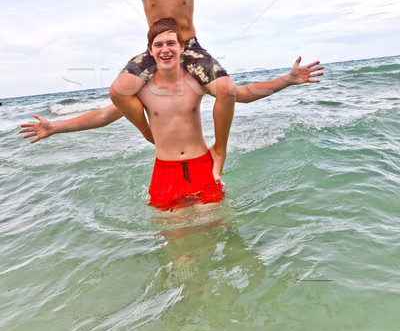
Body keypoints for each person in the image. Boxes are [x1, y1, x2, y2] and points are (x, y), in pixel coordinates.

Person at [24, 0, 298, 182]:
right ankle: (148, 133)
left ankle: (220, 150)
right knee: (118, 91)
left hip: (188, 46)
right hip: (156, 48)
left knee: (226, 89)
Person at [20, 18, 324, 209]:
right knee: (180, 256)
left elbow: (243, 94)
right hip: (165, 175)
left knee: (217, 235)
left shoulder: (197, 82)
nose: (165, 49)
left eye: (171, 43)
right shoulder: (140, 89)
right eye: (158, 45)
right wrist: (54, 127)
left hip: (205, 168)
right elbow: (102, 116)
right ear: (150, 52)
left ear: (181, 48)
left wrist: (287, 80)